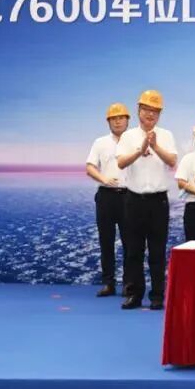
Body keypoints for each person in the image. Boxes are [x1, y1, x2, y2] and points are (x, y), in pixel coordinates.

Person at [115, 89, 177, 310]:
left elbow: (172, 162)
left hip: (158, 201)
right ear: (139, 110)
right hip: (134, 200)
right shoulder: (128, 136)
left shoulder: (166, 135)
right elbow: (121, 163)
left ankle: (157, 296)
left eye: (155, 111)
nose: (151, 114)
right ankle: (134, 294)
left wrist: (155, 146)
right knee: (134, 250)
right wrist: (140, 150)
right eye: (147, 110)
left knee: (157, 251)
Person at [85, 102, 130, 297]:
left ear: (128, 120)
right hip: (106, 196)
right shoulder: (100, 142)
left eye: (121, 118)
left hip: (130, 196)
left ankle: (129, 284)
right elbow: (90, 167)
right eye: (113, 118)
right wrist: (104, 179)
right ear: (108, 122)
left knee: (131, 243)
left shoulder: (136, 141)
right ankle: (108, 283)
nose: (117, 121)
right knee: (106, 241)